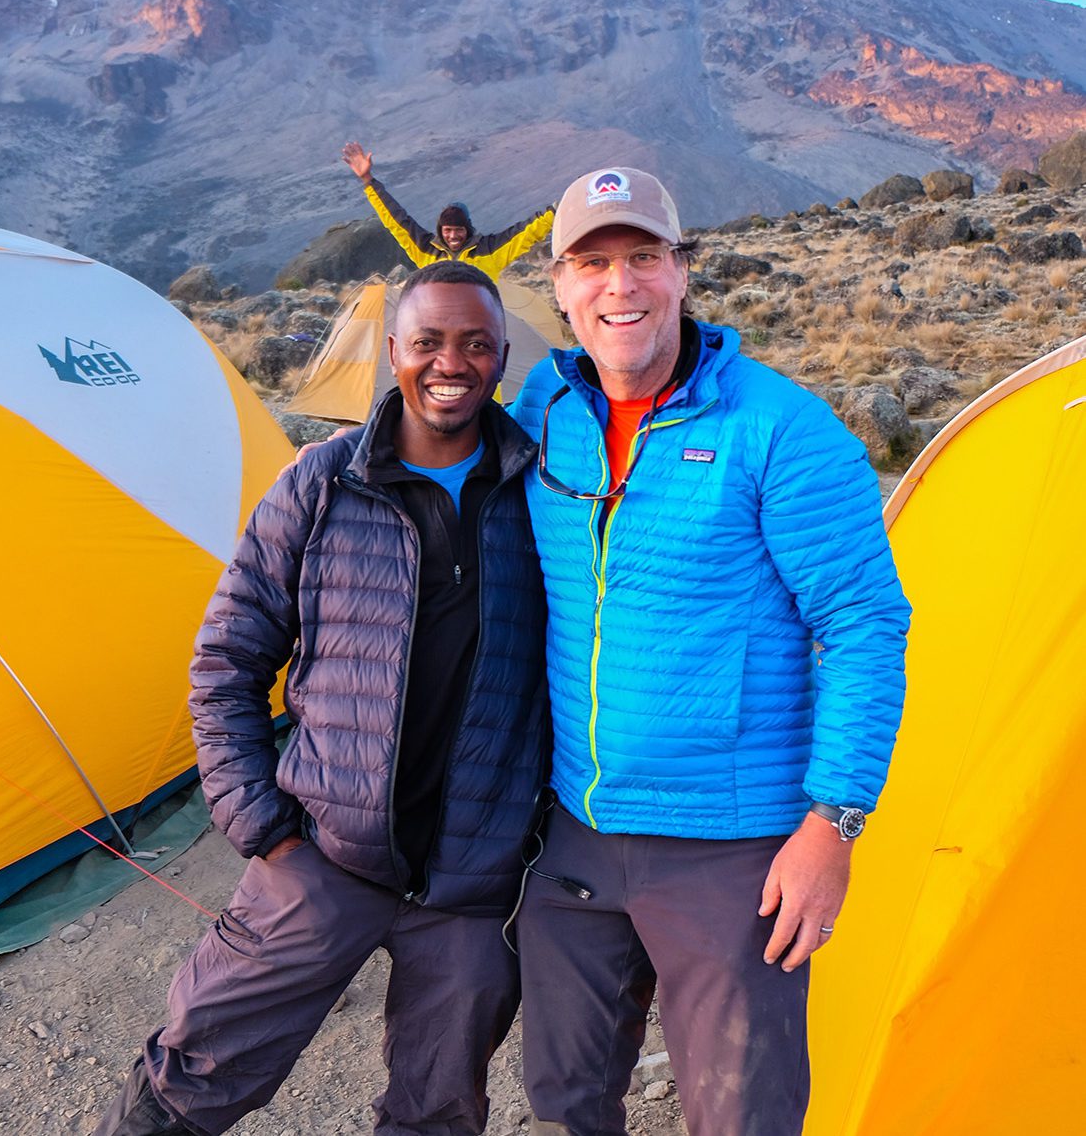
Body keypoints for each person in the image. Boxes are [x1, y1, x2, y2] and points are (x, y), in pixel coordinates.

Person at [93, 261, 549, 1136]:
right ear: (392, 351)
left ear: (501, 359)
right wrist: (260, 824)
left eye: (475, 344)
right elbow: (227, 659)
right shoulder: (322, 483)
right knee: (195, 1074)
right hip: (323, 854)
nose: (450, 363)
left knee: (439, 1110)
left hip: (474, 882)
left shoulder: (542, 494)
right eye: (428, 341)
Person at [508, 167, 911, 1136]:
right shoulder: (542, 412)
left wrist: (832, 826)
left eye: (643, 256)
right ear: (558, 286)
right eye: (592, 263)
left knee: (742, 1116)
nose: (620, 286)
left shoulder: (780, 428)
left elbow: (864, 624)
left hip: (732, 850)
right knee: (563, 1100)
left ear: (682, 270)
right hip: (573, 833)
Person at [342, 141, 554, 278]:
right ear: (440, 230)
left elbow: (527, 231)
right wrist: (368, 180)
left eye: (458, 230)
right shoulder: (426, 250)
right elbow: (396, 219)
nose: (453, 236)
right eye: (448, 230)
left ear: (467, 229)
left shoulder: (490, 250)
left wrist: (555, 212)